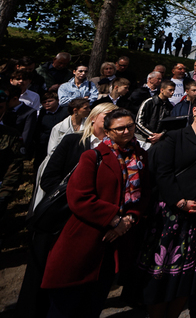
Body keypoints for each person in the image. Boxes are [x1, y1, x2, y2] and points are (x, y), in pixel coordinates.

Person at [40, 108, 148, 318]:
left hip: (116, 241)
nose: (126, 131)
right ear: (107, 132)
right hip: (85, 237)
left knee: (94, 301)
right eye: (120, 128)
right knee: (66, 303)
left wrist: (130, 218)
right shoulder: (93, 156)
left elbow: (145, 192)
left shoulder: (140, 155)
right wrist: (114, 219)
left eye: (130, 126)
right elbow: (79, 197)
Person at [138, 92, 196, 318]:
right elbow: (163, 173)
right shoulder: (173, 137)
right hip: (171, 218)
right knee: (162, 276)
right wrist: (180, 200)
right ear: (194, 110)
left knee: (190, 277)